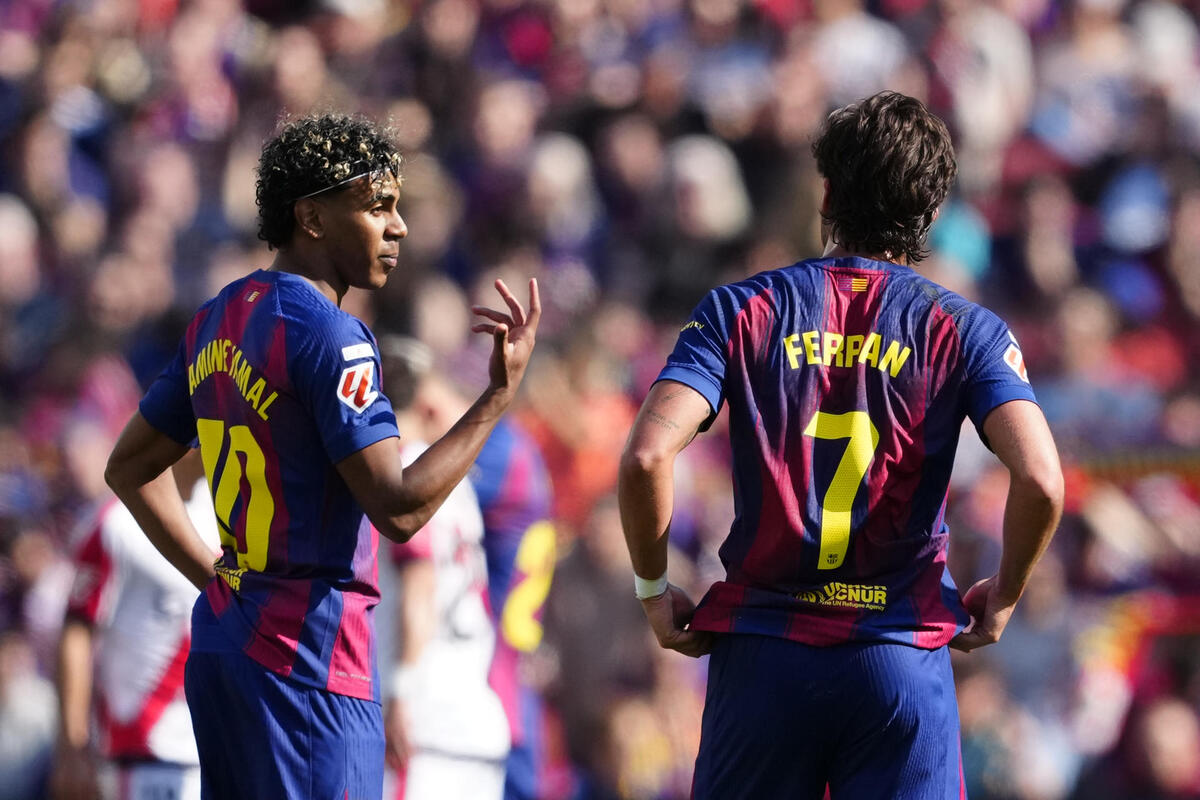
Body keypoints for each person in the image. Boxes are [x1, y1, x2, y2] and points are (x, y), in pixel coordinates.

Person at [618, 91, 1064, 800]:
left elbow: (646, 456)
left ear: (825, 193)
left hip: (764, 652)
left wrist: (651, 590)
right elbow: (1041, 478)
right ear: (930, 211)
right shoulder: (965, 329)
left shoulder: (742, 308)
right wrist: (1005, 593)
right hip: (897, 653)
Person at [103, 114, 541, 800]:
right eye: (377, 207)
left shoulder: (217, 318)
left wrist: (216, 581)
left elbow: (128, 469)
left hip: (224, 649)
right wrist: (496, 398)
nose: (399, 228)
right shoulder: (334, 337)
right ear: (310, 217)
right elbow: (398, 509)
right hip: (309, 662)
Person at [375, 335, 557, 800]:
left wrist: (401, 691)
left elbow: (419, 582)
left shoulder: (410, 478)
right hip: (484, 700)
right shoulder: (457, 482)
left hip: (430, 714)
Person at [51, 450, 218, 800]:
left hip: (219, 752)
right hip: (146, 756)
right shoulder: (117, 522)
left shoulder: (228, 513)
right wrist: (72, 744)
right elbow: (78, 631)